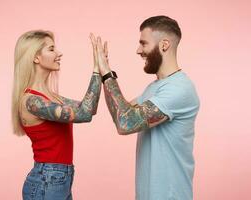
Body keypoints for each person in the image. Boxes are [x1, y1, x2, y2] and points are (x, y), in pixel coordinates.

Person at [94, 15, 200, 200]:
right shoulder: (155, 88)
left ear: (164, 45)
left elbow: (125, 123)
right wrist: (104, 70)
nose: (138, 50)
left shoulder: (179, 89)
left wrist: (106, 73)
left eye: (143, 43)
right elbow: (123, 110)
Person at [12, 30, 102, 200]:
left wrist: (101, 71)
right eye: (52, 49)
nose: (59, 53)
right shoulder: (32, 101)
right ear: (36, 57)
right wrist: (97, 69)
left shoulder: (53, 97)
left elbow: (90, 109)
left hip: (59, 179)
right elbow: (84, 114)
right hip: (47, 181)